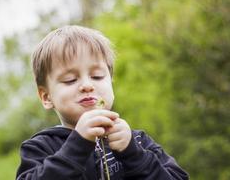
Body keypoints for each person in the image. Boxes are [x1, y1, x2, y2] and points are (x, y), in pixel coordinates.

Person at [16, 25, 189, 180]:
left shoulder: (138, 141)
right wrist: (77, 146)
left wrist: (134, 154)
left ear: (111, 81)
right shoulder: (40, 148)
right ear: (46, 97)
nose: (87, 85)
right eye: (70, 80)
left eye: (97, 76)